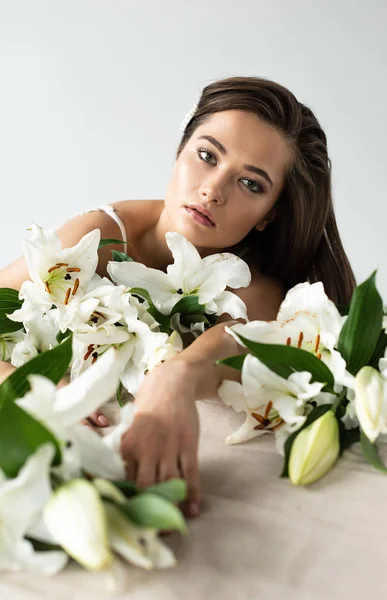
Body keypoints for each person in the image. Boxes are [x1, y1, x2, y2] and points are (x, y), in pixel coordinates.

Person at [0, 76, 355, 518]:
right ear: (180, 150)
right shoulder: (100, 236)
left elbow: (232, 343)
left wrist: (173, 380)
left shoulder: (255, 290)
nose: (213, 190)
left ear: (270, 215)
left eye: (251, 184)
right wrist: (20, 381)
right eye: (207, 156)